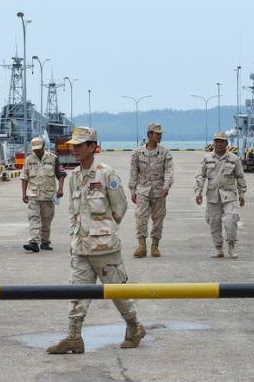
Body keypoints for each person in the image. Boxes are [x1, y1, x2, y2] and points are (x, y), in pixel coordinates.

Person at [46, 126, 145, 354]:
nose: (75, 149)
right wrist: (74, 239)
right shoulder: (75, 177)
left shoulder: (106, 173)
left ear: (92, 147)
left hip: (105, 249)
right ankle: (73, 338)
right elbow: (73, 212)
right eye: (74, 145)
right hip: (81, 248)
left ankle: (134, 327)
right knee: (76, 294)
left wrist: (104, 230)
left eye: (80, 145)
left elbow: (120, 206)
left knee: (118, 293)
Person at [194, 131, 247, 259]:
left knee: (231, 220)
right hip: (213, 196)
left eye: (221, 141)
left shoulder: (234, 159)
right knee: (214, 222)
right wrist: (198, 192)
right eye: (216, 141)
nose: (218, 144)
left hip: (229, 195)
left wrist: (242, 194)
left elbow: (240, 177)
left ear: (226, 144)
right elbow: (200, 176)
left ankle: (231, 247)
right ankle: (218, 249)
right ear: (213, 143)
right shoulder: (207, 159)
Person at [128, 122, 174, 258]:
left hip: (159, 190)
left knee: (158, 219)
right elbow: (133, 172)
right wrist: (132, 190)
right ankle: (141, 246)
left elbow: (169, 171)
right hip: (142, 190)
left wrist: (167, 186)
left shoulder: (165, 152)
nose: (159, 136)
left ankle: (155, 245)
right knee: (141, 217)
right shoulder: (138, 153)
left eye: (160, 134)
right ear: (149, 135)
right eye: (157, 134)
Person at [21, 137, 66, 252]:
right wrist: (24, 193)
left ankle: (45, 242)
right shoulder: (29, 160)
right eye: (35, 149)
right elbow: (24, 177)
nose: (37, 151)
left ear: (43, 146)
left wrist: (60, 189)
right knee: (33, 218)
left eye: (39, 149)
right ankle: (34, 242)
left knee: (46, 219)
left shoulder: (52, 158)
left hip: (48, 195)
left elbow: (60, 174)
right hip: (33, 194)